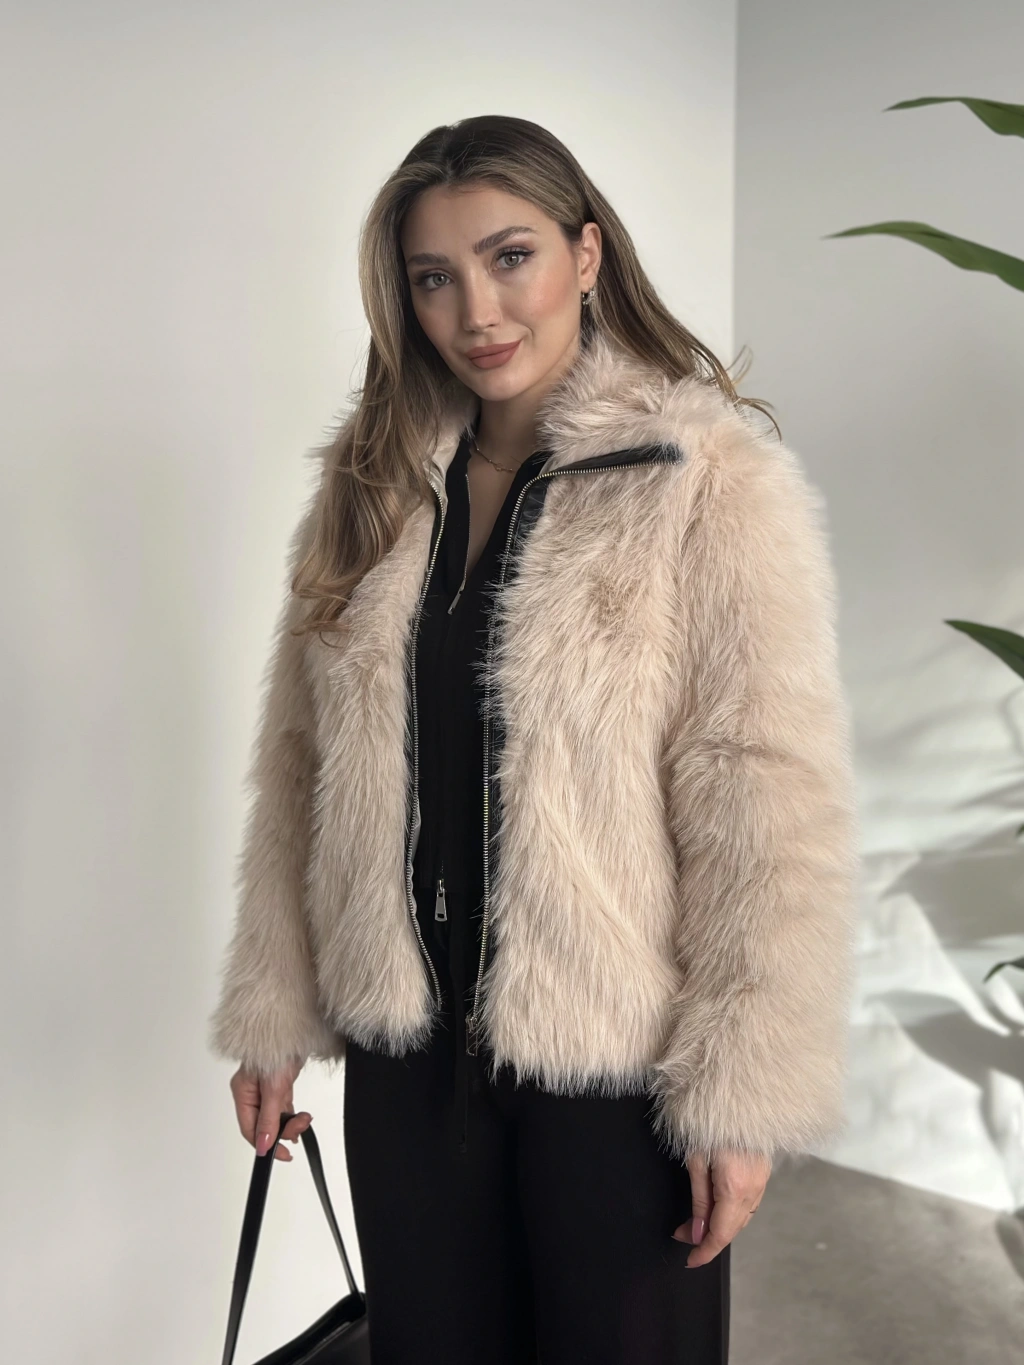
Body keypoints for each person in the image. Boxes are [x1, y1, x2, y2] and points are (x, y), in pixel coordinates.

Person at [207, 114, 860, 1364]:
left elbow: (765, 796)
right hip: (406, 1064)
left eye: (510, 257)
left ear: (586, 254)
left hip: (612, 1070)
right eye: (433, 277)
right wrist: (273, 1009)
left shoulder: (702, 479)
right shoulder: (369, 489)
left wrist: (740, 1089)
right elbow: (299, 771)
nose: (477, 311)